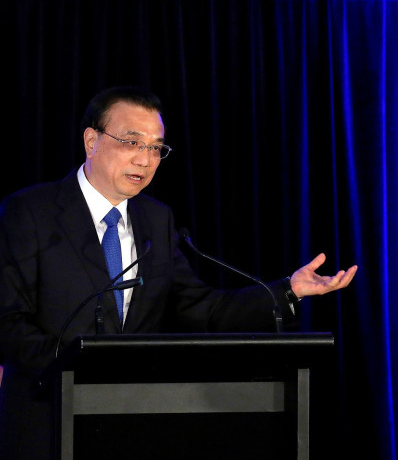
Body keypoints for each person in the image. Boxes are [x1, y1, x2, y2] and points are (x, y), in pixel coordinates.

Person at [0, 86, 357, 459]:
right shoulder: (31, 213)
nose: (145, 159)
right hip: (46, 424)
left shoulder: (156, 220)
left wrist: (288, 290)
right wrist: (76, 371)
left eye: (156, 148)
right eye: (132, 142)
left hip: (130, 427)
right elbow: (10, 322)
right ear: (91, 140)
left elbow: (204, 310)